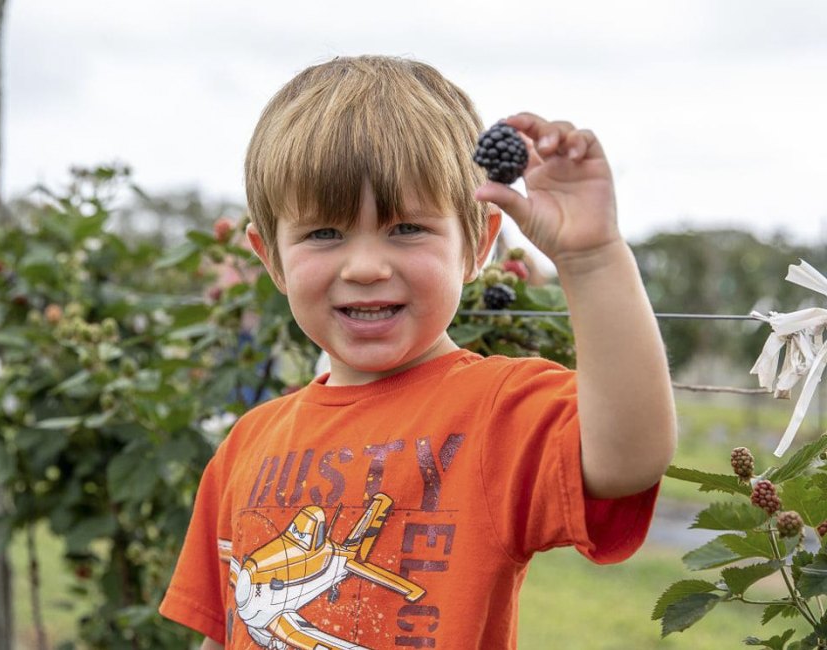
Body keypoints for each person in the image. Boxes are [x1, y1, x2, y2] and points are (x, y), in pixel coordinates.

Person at [160, 55, 676, 649]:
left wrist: (591, 259)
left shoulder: (497, 412)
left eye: (407, 229)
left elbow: (631, 457)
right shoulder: (246, 445)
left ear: (477, 244)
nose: (367, 267)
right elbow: (229, 628)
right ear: (270, 257)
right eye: (324, 233)